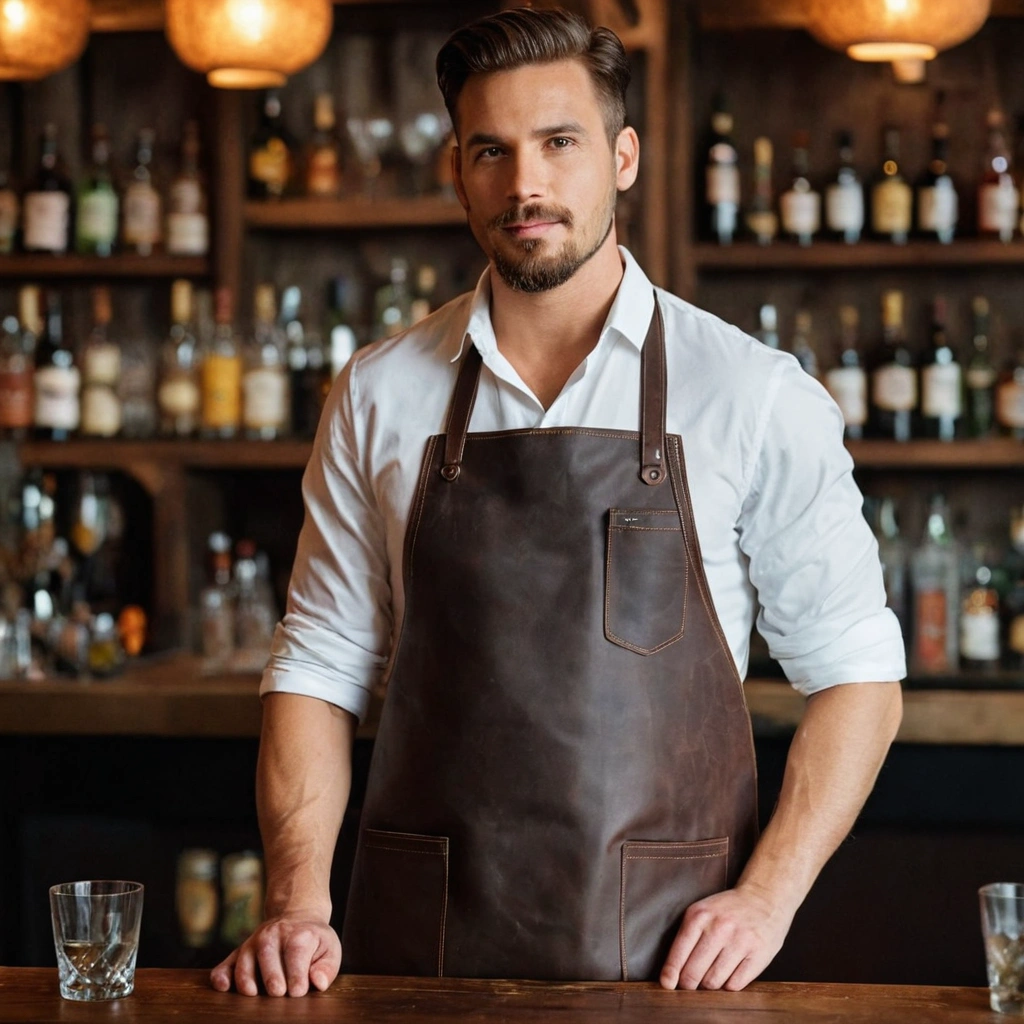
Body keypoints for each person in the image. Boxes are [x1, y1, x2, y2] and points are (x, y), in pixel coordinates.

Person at [211, 6, 905, 998]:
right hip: (419, 944)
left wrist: (767, 895)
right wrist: (296, 901)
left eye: (558, 142)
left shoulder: (752, 392)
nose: (524, 182)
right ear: (456, 170)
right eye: (489, 150)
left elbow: (856, 676)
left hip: (673, 960)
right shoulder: (379, 390)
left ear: (623, 156)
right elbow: (319, 663)